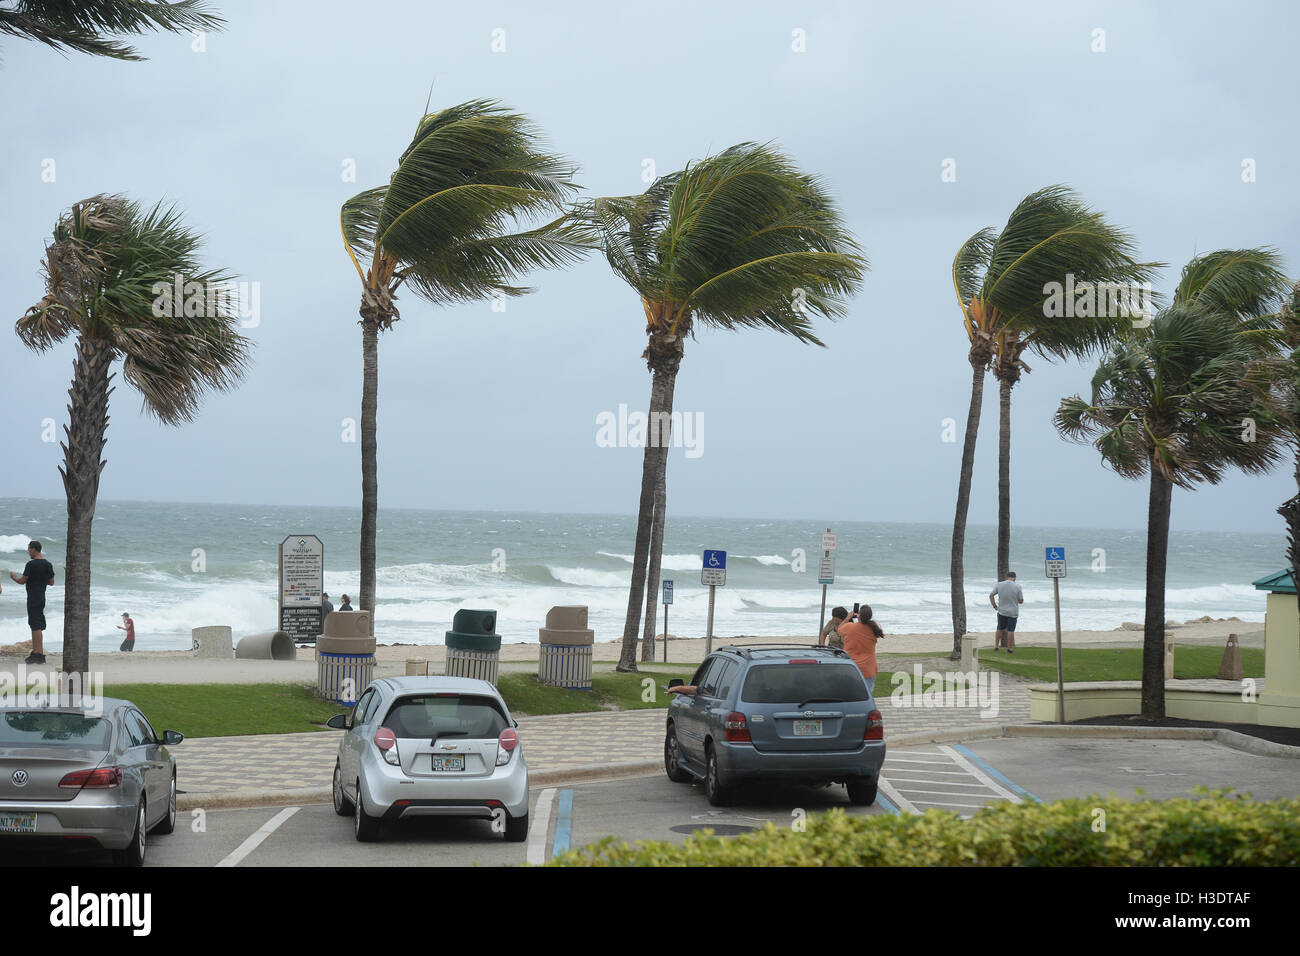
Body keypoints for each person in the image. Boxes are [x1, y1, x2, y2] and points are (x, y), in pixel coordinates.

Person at [9, 541, 56, 665]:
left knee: (35, 625)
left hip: (33, 597)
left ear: (34, 549)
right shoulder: (48, 564)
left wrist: (13, 577)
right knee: (36, 623)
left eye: (29, 549)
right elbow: (51, 582)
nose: (28, 551)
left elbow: (22, 581)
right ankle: (36, 651)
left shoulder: (31, 564)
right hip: (41, 596)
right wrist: (40, 581)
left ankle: (39, 654)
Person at [838, 602, 884, 694]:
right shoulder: (873, 628)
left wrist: (848, 617)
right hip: (869, 668)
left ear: (859, 615)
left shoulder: (849, 627)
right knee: (868, 695)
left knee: (852, 695)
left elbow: (839, 629)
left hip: (852, 667)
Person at [989, 571, 1024, 653]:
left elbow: (991, 595)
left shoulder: (999, 584)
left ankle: (996, 646)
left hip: (1002, 611)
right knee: (1011, 630)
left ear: (1007, 577)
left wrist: (994, 606)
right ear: (1014, 578)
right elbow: (1020, 601)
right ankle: (1009, 648)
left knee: (999, 628)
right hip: (1013, 612)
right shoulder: (1018, 586)